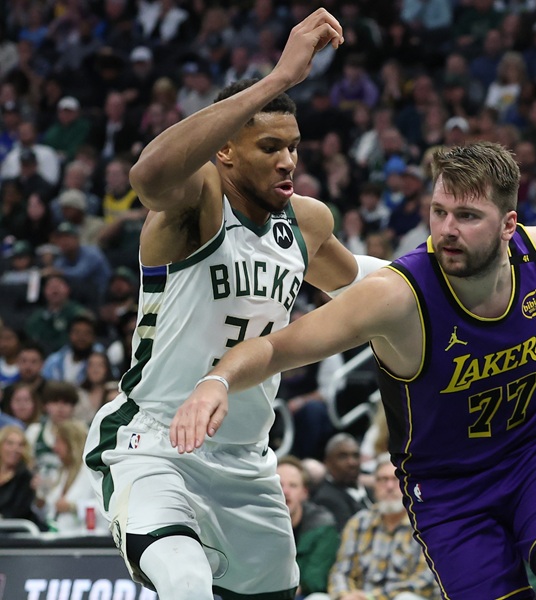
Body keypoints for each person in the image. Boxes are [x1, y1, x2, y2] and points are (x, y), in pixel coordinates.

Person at [173, 141, 536, 600]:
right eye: (439, 212)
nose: (447, 230)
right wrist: (217, 380)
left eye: (466, 216)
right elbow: (278, 348)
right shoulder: (396, 296)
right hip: (449, 491)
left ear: (509, 224)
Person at [82, 11, 385, 600]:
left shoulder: (306, 221)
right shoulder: (198, 202)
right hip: (156, 442)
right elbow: (148, 175)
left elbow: (365, 287)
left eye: (293, 147)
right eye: (269, 146)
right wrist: (279, 78)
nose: (287, 161)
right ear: (224, 150)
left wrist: (451, 281)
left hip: (247, 460)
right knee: (185, 581)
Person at [305, 454, 439, 600]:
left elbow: (424, 581)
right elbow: (340, 572)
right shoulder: (358, 522)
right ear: (374, 485)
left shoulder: (424, 524)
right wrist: (345, 595)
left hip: (396, 597)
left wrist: (372, 597)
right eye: (383, 480)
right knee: (316, 598)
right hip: (358, 598)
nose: (389, 487)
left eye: (396, 479)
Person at [276, 455, 340, 598]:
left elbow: (314, 580)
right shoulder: (254, 522)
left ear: (304, 492)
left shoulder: (322, 525)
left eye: (293, 485)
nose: (285, 492)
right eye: (279, 485)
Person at [313, 432, 374, 532]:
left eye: (355, 456)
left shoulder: (371, 489)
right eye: (343, 456)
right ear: (328, 462)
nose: (352, 462)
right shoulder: (326, 499)